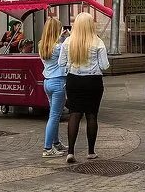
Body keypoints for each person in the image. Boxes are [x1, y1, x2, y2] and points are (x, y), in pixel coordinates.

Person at [58, 11, 110, 165]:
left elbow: (61, 63)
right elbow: (105, 66)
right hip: (93, 81)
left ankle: (71, 152)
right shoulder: (98, 42)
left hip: (74, 80)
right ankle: (91, 151)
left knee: (75, 114)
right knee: (91, 115)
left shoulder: (68, 42)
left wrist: (72, 65)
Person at [37, 16, 69, 157]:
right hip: (59, 82)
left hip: (47, 82)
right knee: (55, 116)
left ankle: (56, 143)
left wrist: (60, 39)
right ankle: (48, 148)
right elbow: (66, 52)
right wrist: (67, 37)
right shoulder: (59, 47)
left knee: (53, 114)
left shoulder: (41, 45)